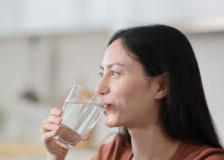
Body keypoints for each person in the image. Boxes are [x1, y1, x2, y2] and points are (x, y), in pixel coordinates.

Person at [41, 24, 224, 160]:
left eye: (114, 73)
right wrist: (55, 156)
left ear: (161, 86)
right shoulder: (112, 153)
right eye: (101, 73)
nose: (99, 88)